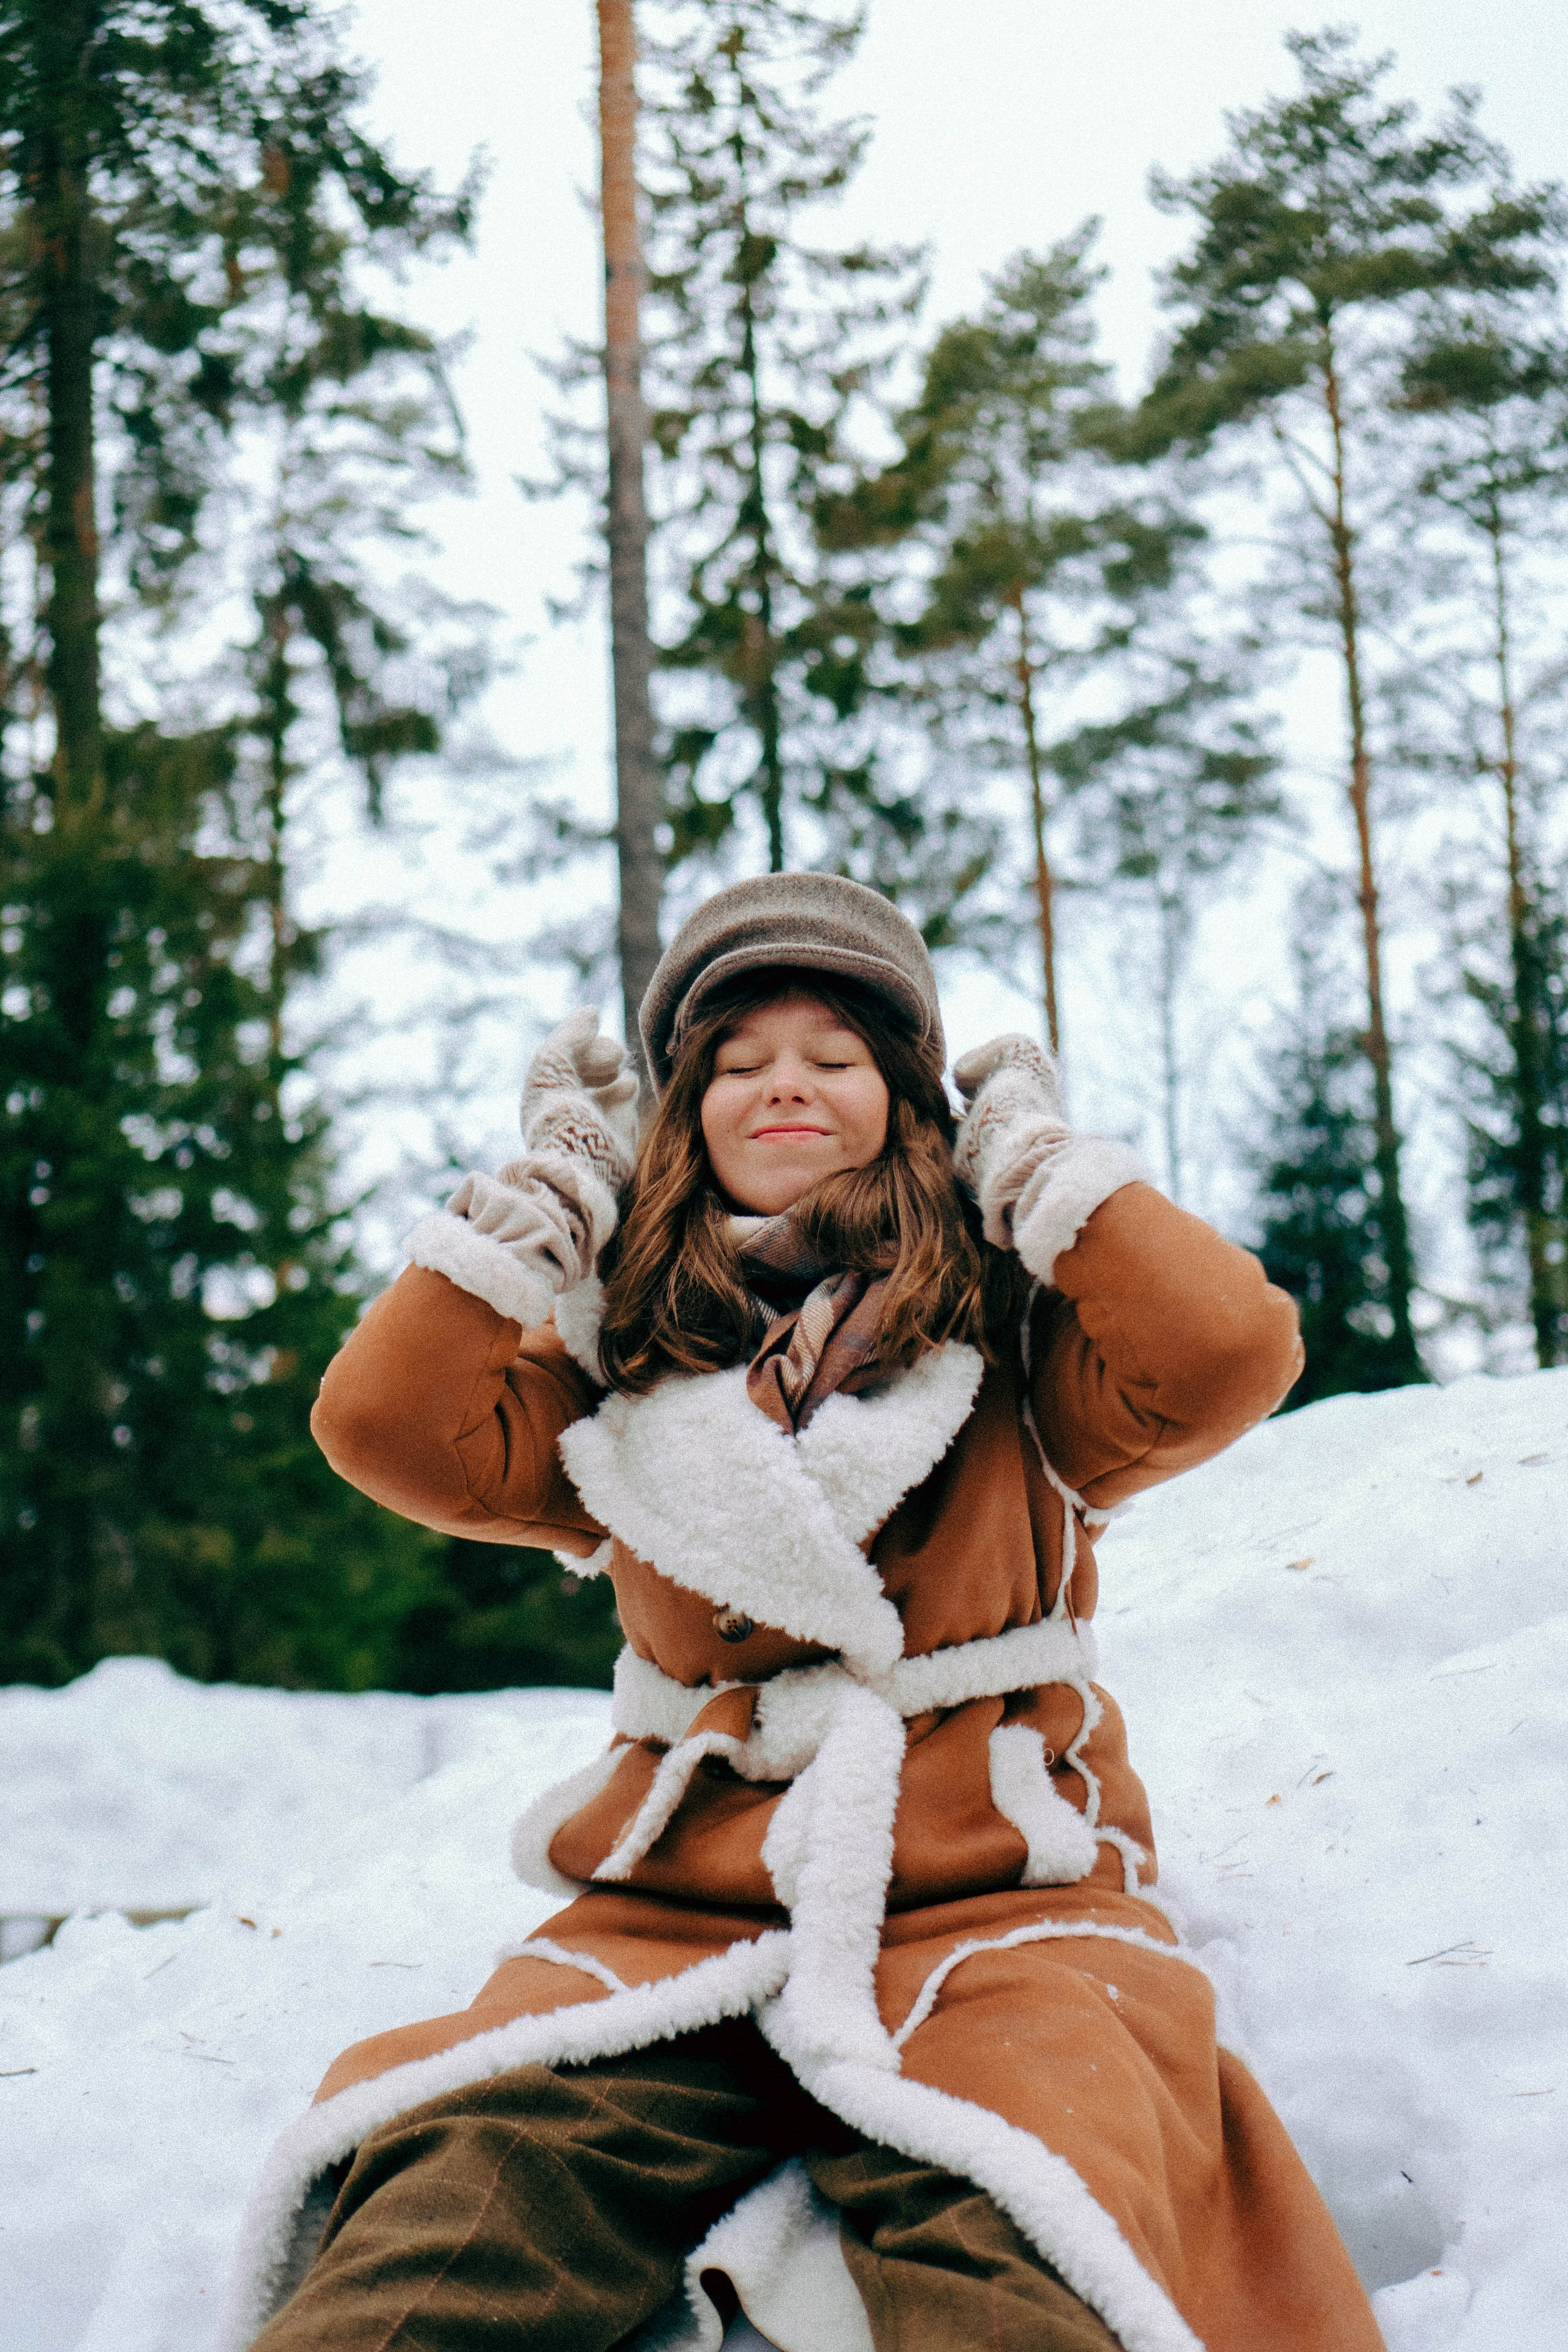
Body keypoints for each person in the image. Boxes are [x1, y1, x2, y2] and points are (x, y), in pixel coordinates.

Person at [222, 873, 1382, 2352]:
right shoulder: (620, 1364)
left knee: (1031, 2234)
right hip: (673, 1919)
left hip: (996, 1906)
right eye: (734, 1061)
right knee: (450, 2212)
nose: (785, 1087)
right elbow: (383, 1427)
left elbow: (1228, 1351)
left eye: (834, 1057)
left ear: (905, 1103)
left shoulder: (1016, 1338)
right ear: (679, 1114)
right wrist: (557, 1207)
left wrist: (1034, 1165)